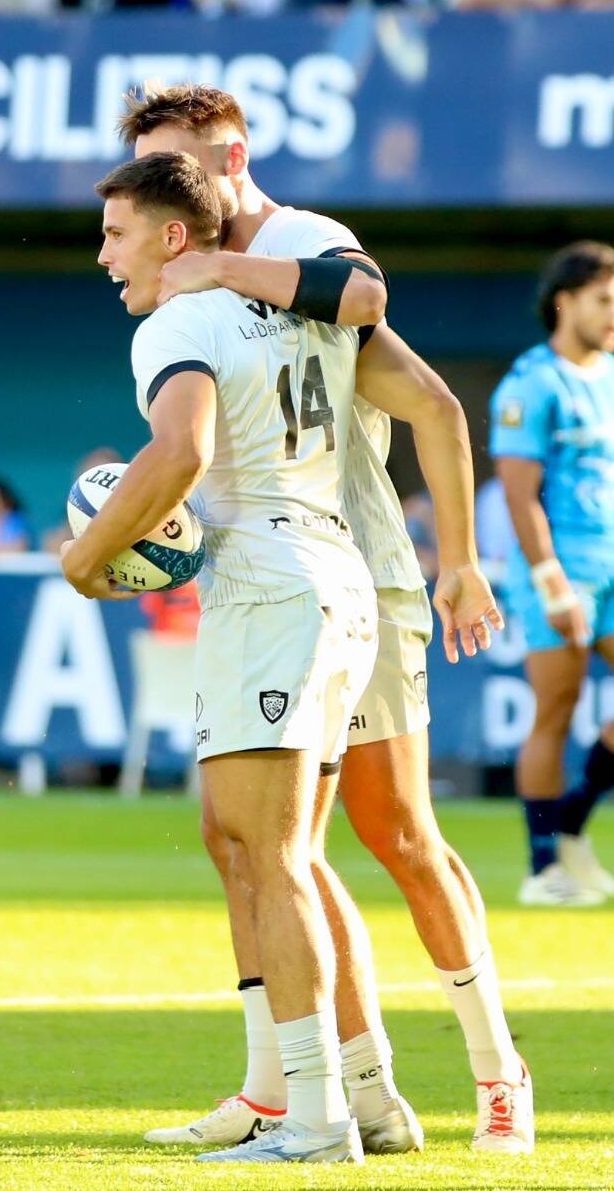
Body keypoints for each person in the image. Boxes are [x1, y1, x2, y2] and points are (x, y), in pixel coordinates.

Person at [119, 85, 530, 1153]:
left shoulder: (298, 240)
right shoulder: (185, 292)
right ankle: (308, 1084)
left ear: (230, 158)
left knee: (389, 830)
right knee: (245, 837)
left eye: (183, 165)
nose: (175, 191)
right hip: (271, 578)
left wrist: (459, 563)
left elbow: (379, 324)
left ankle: (495, 1069)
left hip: (359, 573)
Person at [69, 151, 380, 1164]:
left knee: (271, 856)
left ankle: (318, 1115)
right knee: (265, 848)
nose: (102, 254)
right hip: (335, 571)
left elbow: (178, 453)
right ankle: (328, 1096)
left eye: (115, 233)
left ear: (171, 237)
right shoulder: (295, 308)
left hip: (268, 583)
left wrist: (84, 553)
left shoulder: (177, 320)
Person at [491, 241, 614, 906]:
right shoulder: (531, 382)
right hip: (562, 570)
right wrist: (551, 581)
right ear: (564, 302)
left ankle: (570, 825)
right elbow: (519, 493)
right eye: (603, 300)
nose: (613, 312)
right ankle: (544, 868)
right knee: (556, 712)